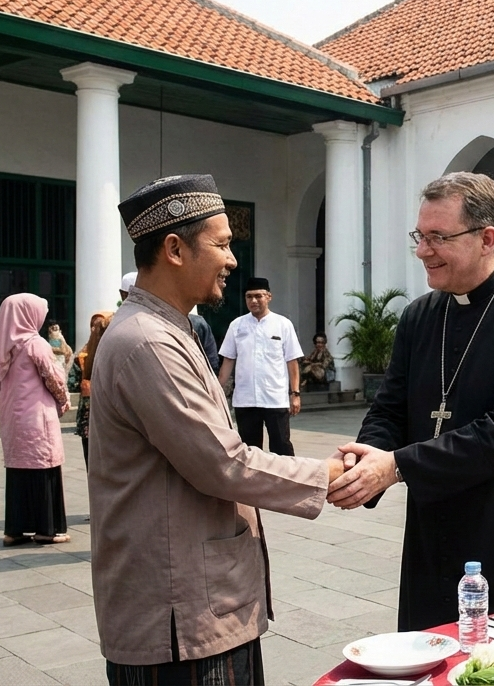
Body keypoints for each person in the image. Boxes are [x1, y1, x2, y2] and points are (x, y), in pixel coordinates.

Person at [90, 174, 346, 681]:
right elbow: (222, 462)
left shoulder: (169, 327)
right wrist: (328, 474)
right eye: (222, 245)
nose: (232, 260)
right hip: (179, 616)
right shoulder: (148, 342)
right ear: (174, 250)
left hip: (196, 601)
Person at [326, 172, 494, 631]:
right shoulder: (419, 316)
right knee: (436, 647)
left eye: (438, 237)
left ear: (486, 238)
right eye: (419, 236)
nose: (422, 251)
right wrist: (363, 460)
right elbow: (390, 407)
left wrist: (396, 467)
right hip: (438, 521)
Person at [0, 293, 72, 547]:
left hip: (12, 418)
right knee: (43, 467)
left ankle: (15, 530)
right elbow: (55, 378)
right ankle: (47, 529)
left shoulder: (2, 347)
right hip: (37, 417)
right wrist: (64, 400)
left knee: (18, 471)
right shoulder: (36, 344)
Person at [218, 277, 304, 455]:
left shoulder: (283, 324)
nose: (253, 301)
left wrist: (295, 394)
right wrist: (217, 390)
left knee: (281, 447)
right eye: (249, 296)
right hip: (245, 399)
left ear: (269, 297)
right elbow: (228, 360)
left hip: (275, 398)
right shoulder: (237, 325)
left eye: (258, 296)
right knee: (250, 450)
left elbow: (292, 361)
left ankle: (287, 473)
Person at [74, 311, 114, 466]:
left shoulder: (84, 354)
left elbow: (72, 382)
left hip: (88, 420)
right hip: (109, 423)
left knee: (92, 465)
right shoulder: (114, 353)